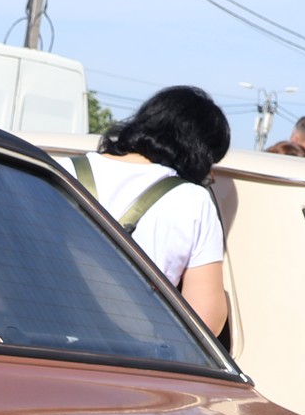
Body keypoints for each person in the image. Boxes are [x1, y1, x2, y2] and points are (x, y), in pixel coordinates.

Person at [59, 86, 230, 333]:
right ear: (198, 151)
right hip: (130, 350)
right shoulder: (193, 201)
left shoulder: (61, 170)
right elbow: (205, 321)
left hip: (38, 339)